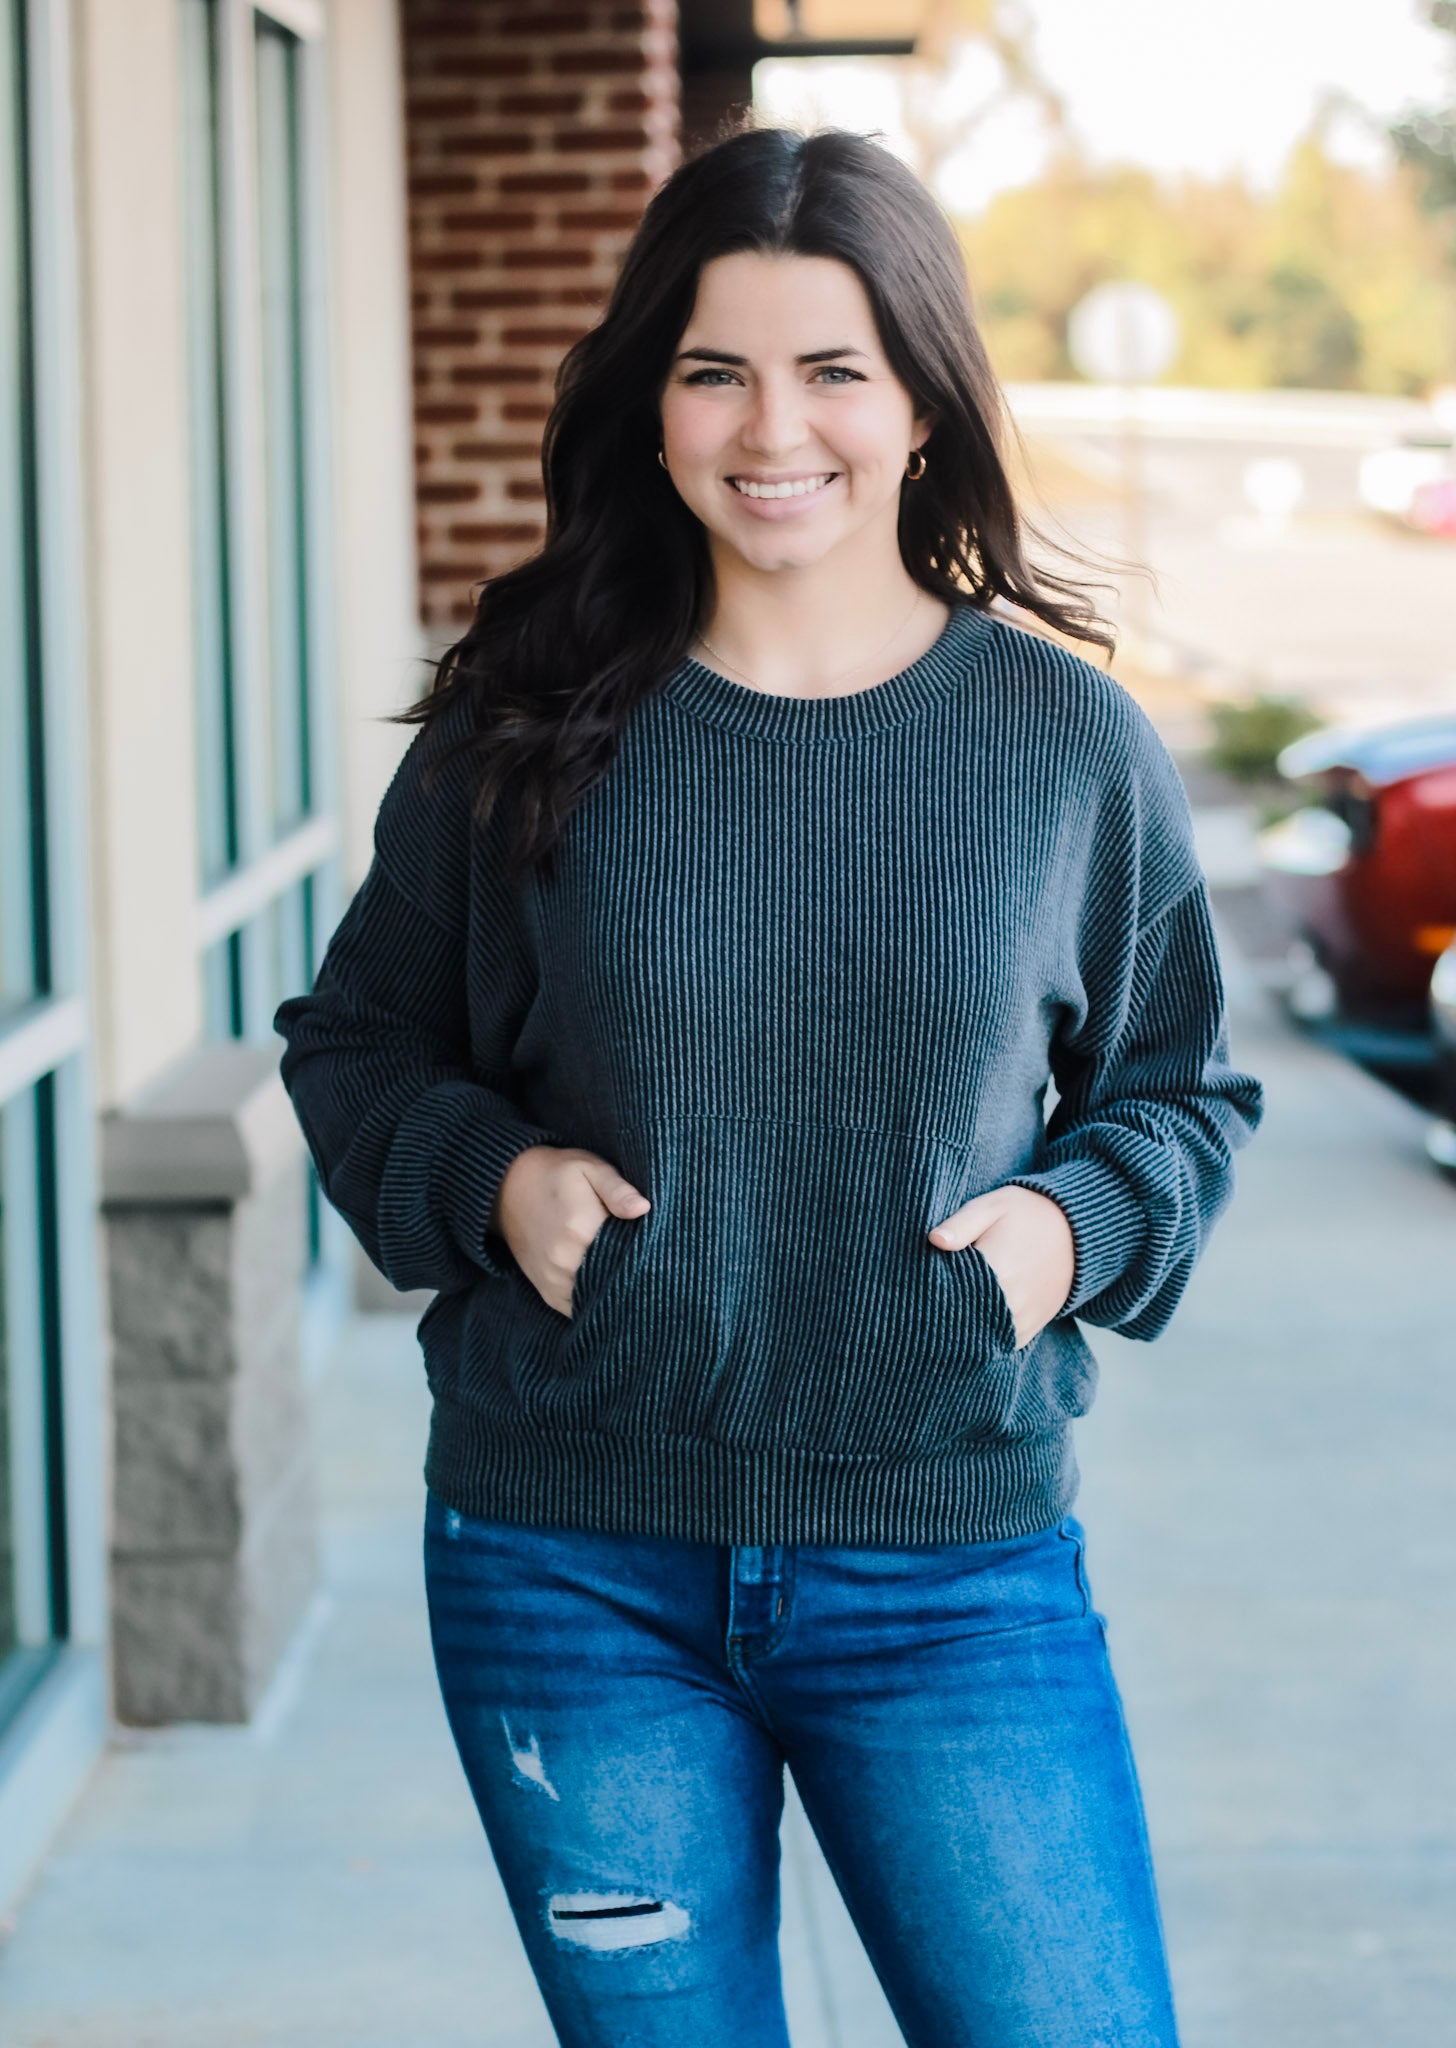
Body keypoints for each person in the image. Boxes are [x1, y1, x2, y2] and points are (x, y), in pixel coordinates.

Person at [273, 121, 1264, 2048]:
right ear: (652, 407)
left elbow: (1183, 1095)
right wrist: (491, 1181)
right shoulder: (523, 725)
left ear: (918, 406)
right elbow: (357, 1042)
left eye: (832, 369)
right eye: (714, 367)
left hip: (956, 1578)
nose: (769, 426)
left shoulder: (1065, 743)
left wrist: (1075, 1226)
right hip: (572, 1572)